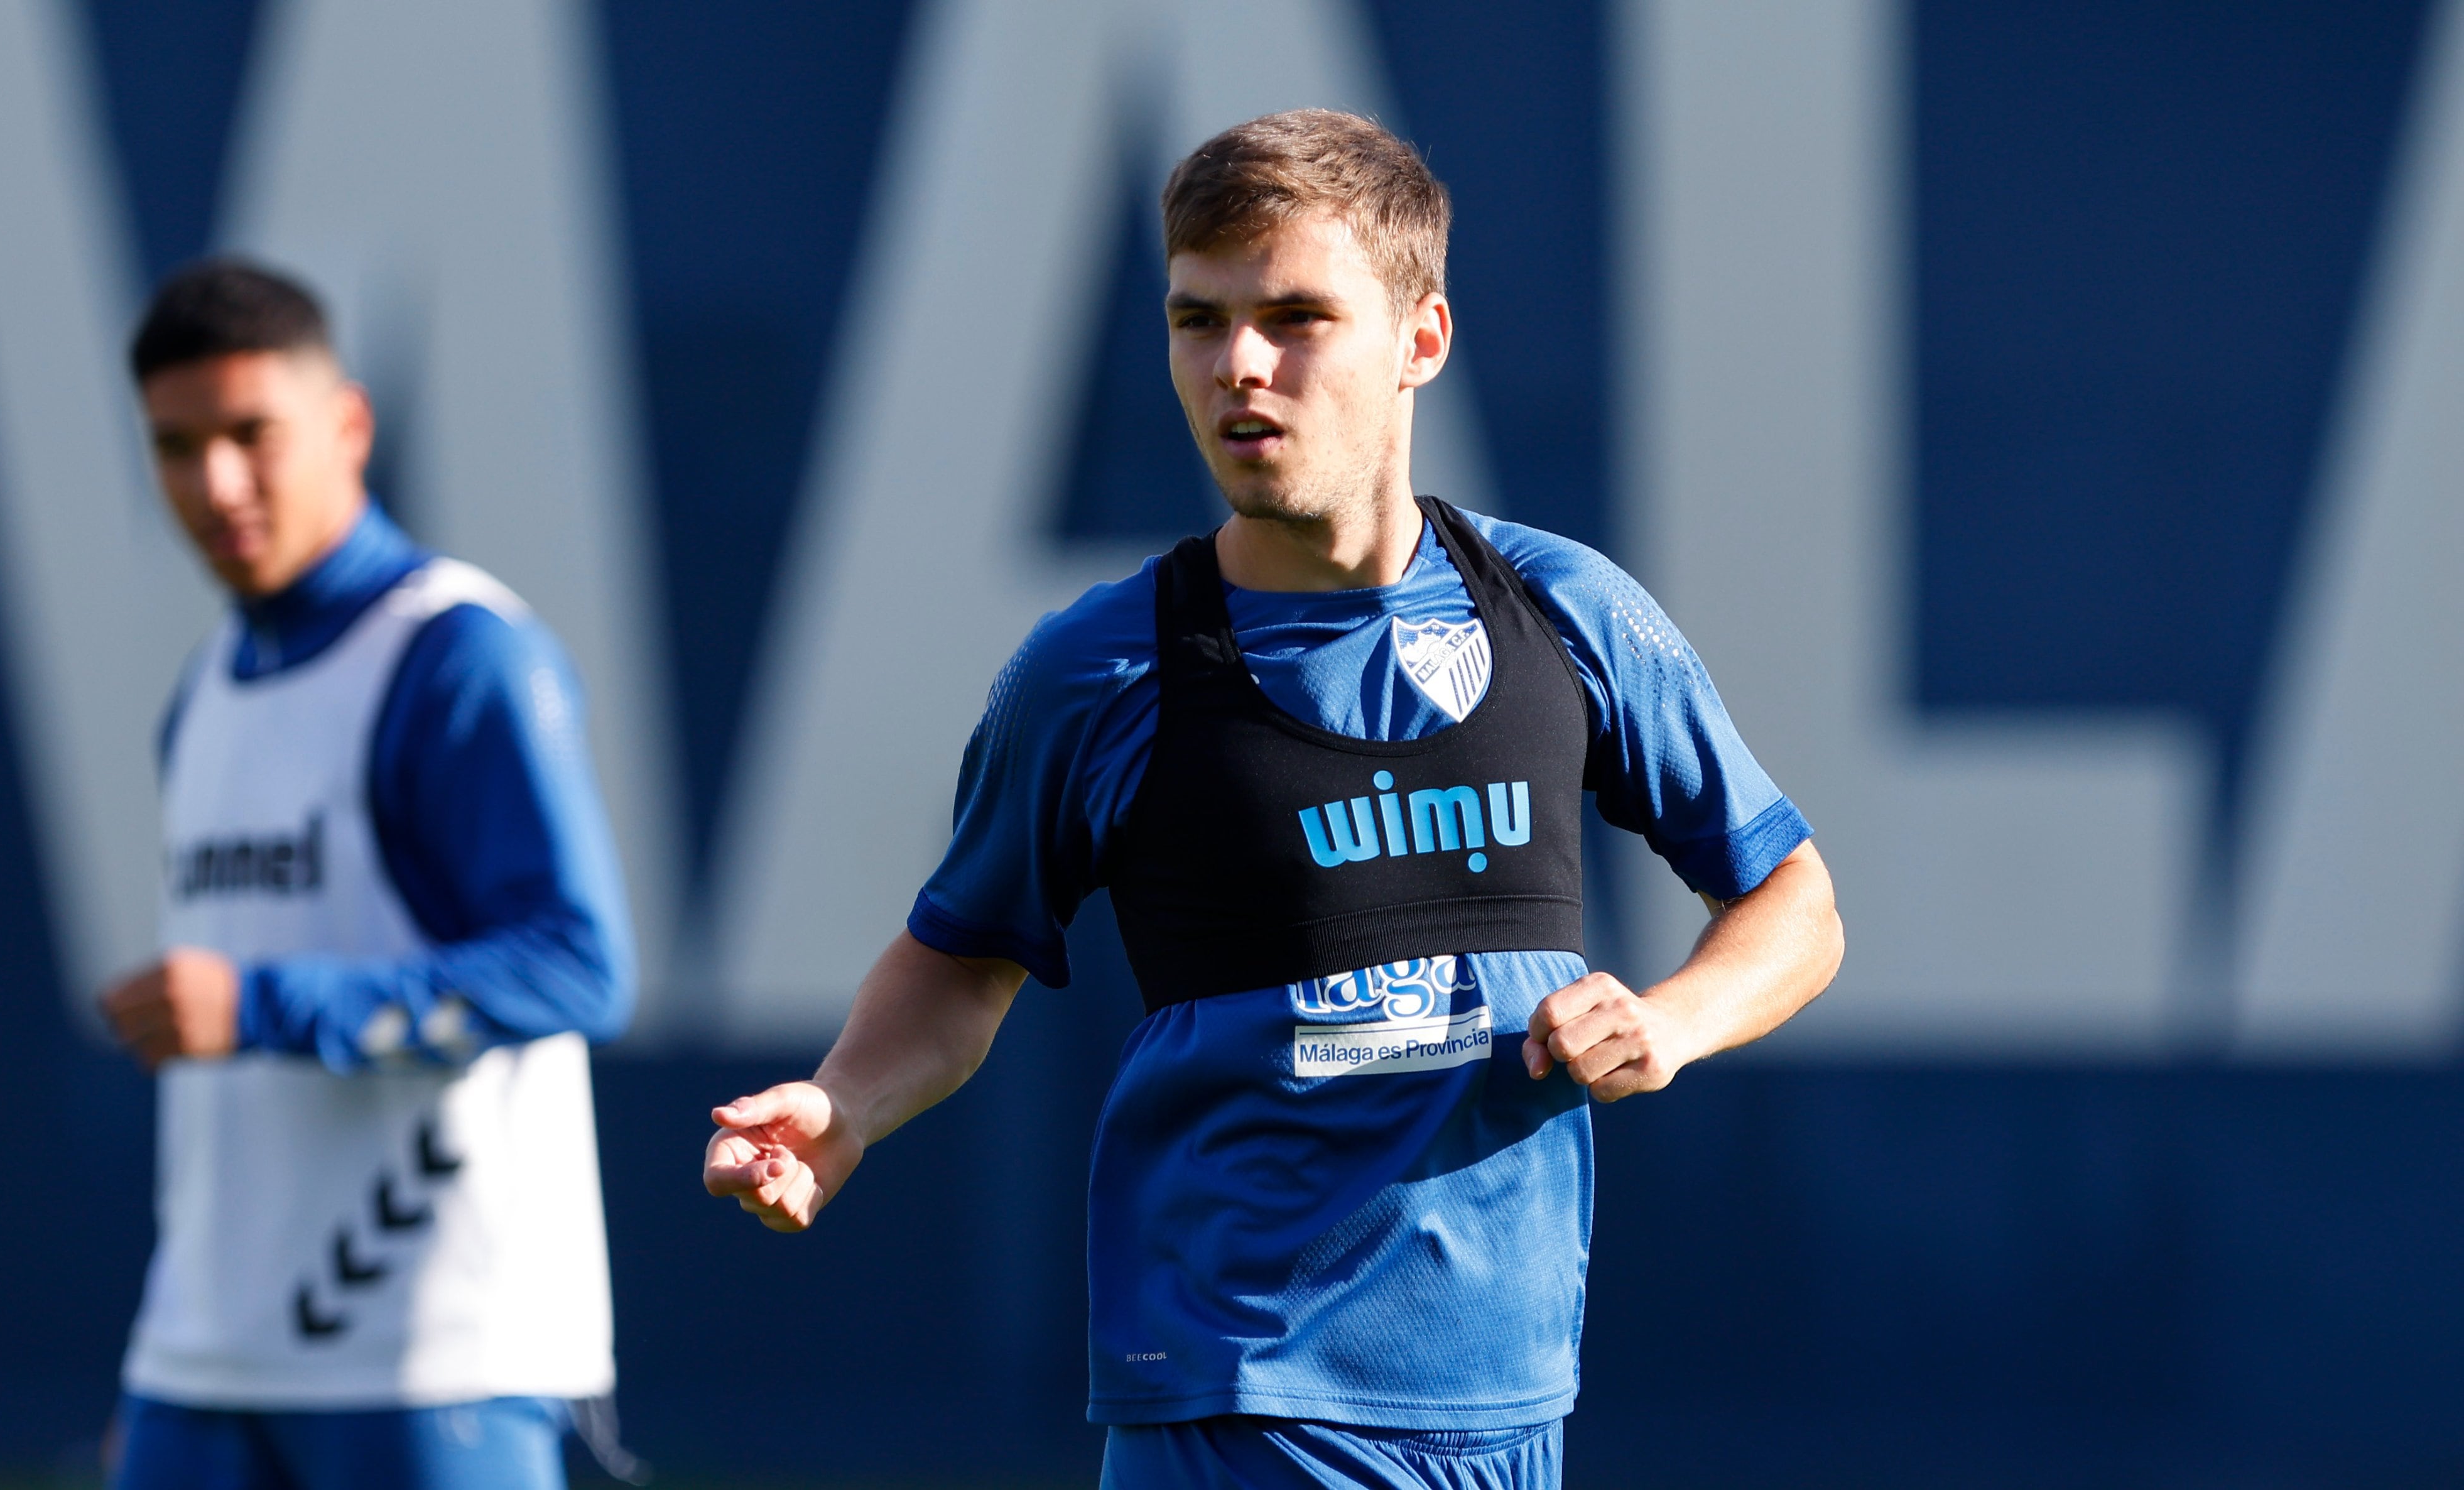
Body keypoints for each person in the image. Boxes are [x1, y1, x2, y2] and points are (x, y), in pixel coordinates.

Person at [703, 110, 1843, 1489]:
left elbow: (1790, 901)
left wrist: (1668, 1020)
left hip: (1506, 1406)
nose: (1238, 365)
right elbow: (963, 954)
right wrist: (845, 1104)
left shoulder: (1565, 613)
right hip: (1236, 1397)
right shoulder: (1098, 670)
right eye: (1199, 319)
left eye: (1295, 317)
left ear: (1419, 340)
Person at [98, 259, 636, 1490]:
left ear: (346, 425)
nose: (216, 481)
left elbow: (580, 967)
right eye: (177, 446)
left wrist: (261, 1006)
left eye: (251, 434)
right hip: (205, 1360)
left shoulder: (457, 654)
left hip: (433, 1361)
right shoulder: (207, 686)